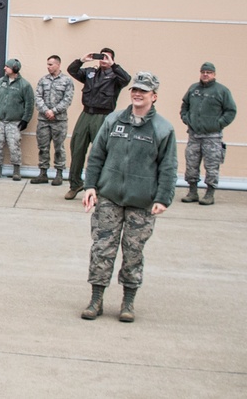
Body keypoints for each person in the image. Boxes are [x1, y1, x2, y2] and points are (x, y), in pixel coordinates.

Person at [80, 72, 177, 323]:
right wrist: (90, 185)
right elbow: (97, 155)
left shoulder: (163, 129)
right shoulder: (113, 120)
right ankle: (96, 300)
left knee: (133, 252)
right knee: (102, 248)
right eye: (135, 89)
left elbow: (168, 167)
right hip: (109, 196)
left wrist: (163, 198)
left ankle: (128, 302)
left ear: (153, 96)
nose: (137, 93)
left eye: (143, 91)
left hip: (141, 202)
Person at [65, 49, 131, 200]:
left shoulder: (116, 76)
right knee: (77, 148)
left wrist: (113, 65)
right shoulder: (90, 73)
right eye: (101, 56)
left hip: (103, 116)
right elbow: (72, 70)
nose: (103, 59)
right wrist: (82, 60)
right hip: (86, 113)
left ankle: (98, 188)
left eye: (107, 57)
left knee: (100, 152)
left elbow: (127, 79)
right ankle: (75, 184)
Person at [180, 62, 237, 206]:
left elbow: (231, 111)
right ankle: (192, 192)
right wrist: (186, 118)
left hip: (212, 137)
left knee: (212, 166)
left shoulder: (221, 91)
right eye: (203, 72)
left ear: (214, 74)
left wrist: (218, 124)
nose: (205, 74)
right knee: (191, 164)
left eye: (209, 72)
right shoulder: (193, 89)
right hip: (194, 135)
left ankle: (209, 193)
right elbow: (184, 105)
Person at [0, 58, 34, 179]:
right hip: (1, 121)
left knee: (14, 146)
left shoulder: (24, 85)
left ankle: (16, 170)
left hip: (14, 122)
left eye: (7, 66)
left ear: (15, 69)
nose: (4, 68)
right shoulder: (0, 82)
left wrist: (25, 119)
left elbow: (29, 104)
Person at [33, 55, 75, 185]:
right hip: (44, 120)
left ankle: (59, 174)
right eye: (47, 64)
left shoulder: (67, 81)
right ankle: (43, 173)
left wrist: (54, 111)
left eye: (51, 64)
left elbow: (67, 99)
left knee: (59, 148)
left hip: (59, 121)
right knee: (43, 147)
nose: (48, 67)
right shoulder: (43, 80)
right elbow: (38, 97)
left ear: (58, 65)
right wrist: (46, 110)